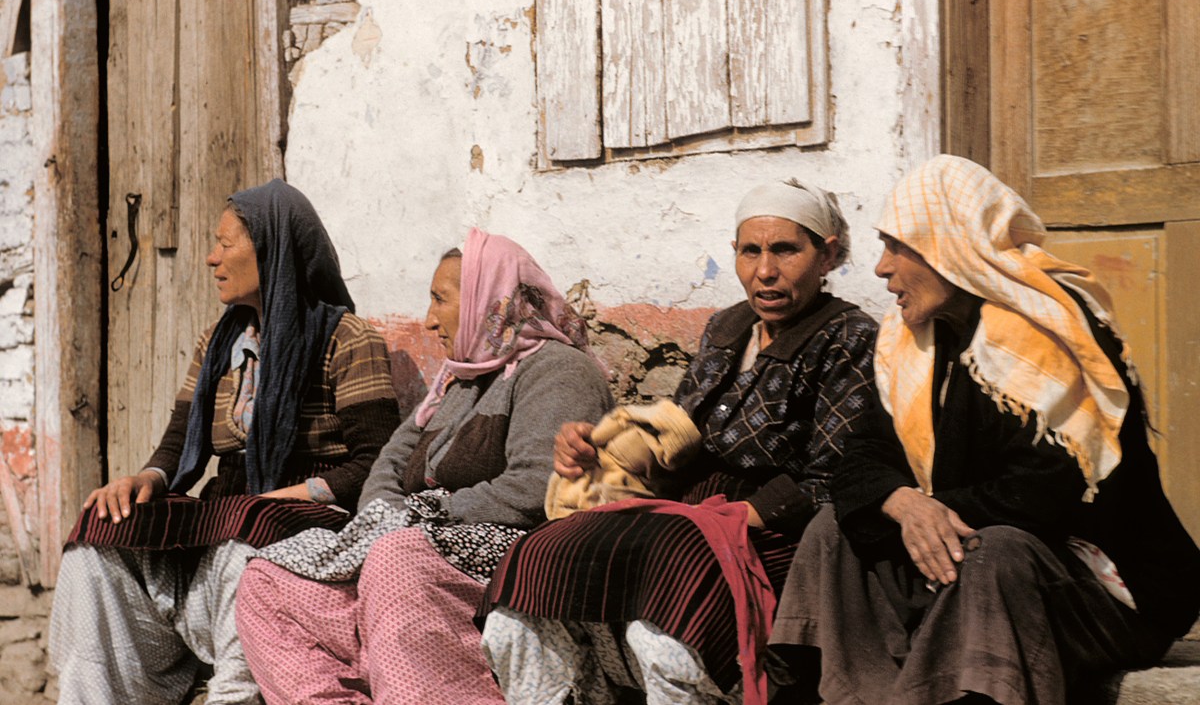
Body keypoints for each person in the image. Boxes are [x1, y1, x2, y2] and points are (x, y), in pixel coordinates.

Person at [769, 155, 1200, 704]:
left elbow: (1046, 494)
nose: (881, 268)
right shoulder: (913, 342)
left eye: (898, 246)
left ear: (950, 245)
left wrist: (930, 510)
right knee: (834, 527)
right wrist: (903, 503)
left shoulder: (1049, 331)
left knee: (996, 551)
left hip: (1098, 590)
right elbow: (860, 456)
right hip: (967, 574)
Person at [479, 179, 879, 705]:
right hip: (685, 516)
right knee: (538, 557)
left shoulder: (848, 336)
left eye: (785, 250)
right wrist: (601, 453)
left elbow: (833, 480)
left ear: (826, 255)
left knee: (670, 606)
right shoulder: (726, 328)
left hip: (773, 527)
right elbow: (677, 435)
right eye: (750, 251)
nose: (765, 271)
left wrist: (730, 517)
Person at [48, 180, 402, 704]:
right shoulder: (218, 343)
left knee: (247, 540)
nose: (212, 258)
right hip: (230, 514)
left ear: (272, 251)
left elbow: (377, 464)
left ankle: (235, 694)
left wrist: (285, 498)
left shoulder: (349, 340)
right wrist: (145, 479)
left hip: (305, 521)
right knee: (99, 535)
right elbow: (177, 443)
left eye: (225, 243)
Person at [234, 227, 613, 705]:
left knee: (397, 559)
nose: (430, 320)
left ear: (486, 298)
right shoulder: (458, 380)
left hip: (509, 551)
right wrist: (388, 515)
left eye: (440, 299)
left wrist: (428, 515)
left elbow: (536, 485)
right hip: (414, 541)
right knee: (269, 579)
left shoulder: (558, 370)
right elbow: (390, 462)